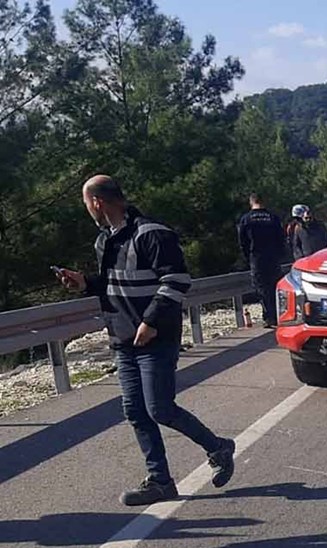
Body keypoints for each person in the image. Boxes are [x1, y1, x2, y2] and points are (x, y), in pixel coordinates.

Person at [57, 175, 236, 506]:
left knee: (160, 408)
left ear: (97, 202)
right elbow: (112, 284)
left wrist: (151, 322)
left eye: (85, 203)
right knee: (136, 411)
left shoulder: (152, 233)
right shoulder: (105, 241)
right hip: (123, 339)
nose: (86, 210)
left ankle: (218, 447)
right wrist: (85, 283)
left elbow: (177, 280)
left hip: (156, 338)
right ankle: (160, 481)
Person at [237, 193, 287, 327]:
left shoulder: (246, 219)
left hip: (257, 258)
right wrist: (280, 255)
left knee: (261, 288)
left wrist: (248, 257)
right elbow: (281, 238)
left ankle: (269, 317)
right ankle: (278, 315)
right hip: (273, 258)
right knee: (275, 286)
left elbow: (242, 241)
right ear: (264, 202)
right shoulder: (273, 217)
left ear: (251, 202)